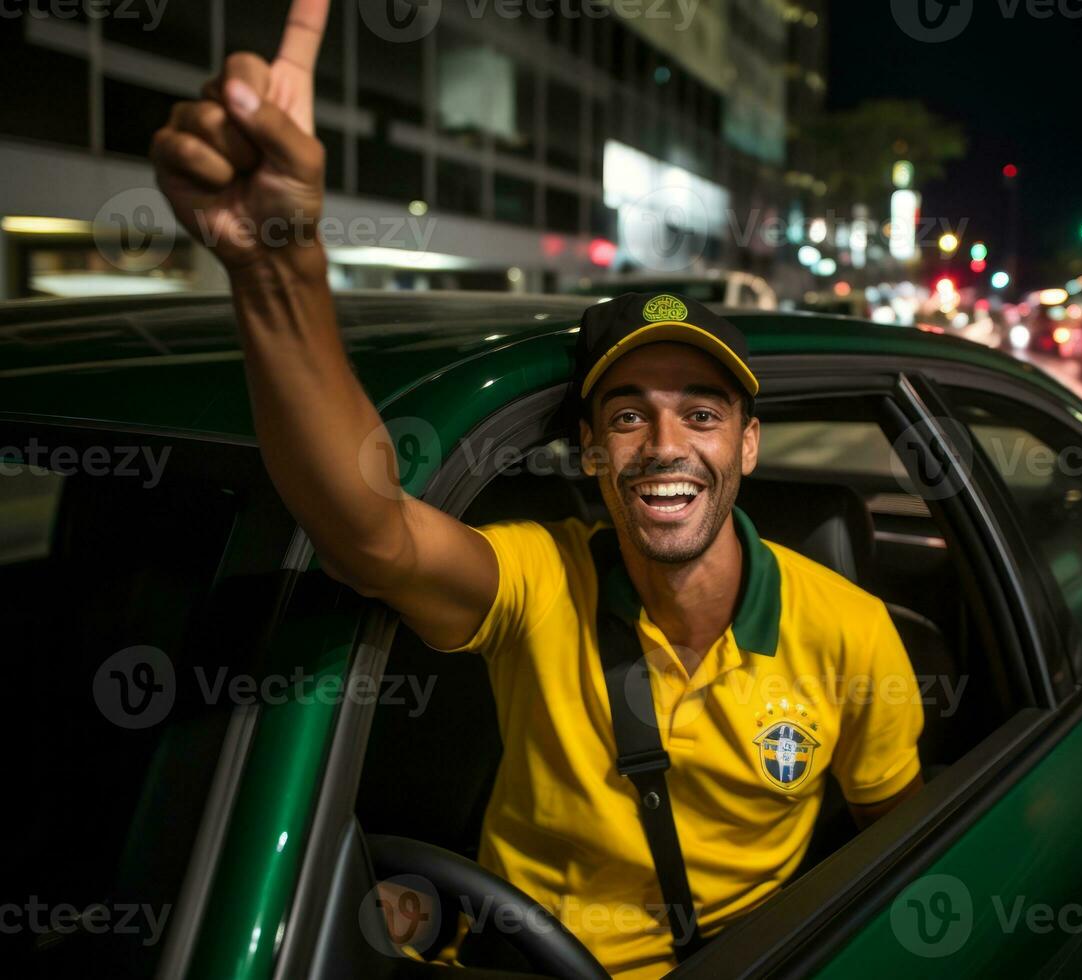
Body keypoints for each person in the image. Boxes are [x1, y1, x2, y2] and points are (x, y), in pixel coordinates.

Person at [148, 3, 924, 976]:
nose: (666, 444)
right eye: (628, 413)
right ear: (594, 451)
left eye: (702, 411)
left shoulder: (850, 635)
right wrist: (274, 266)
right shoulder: (542, 576)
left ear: (748, 445)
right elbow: (368, 530)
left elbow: (896, 860)